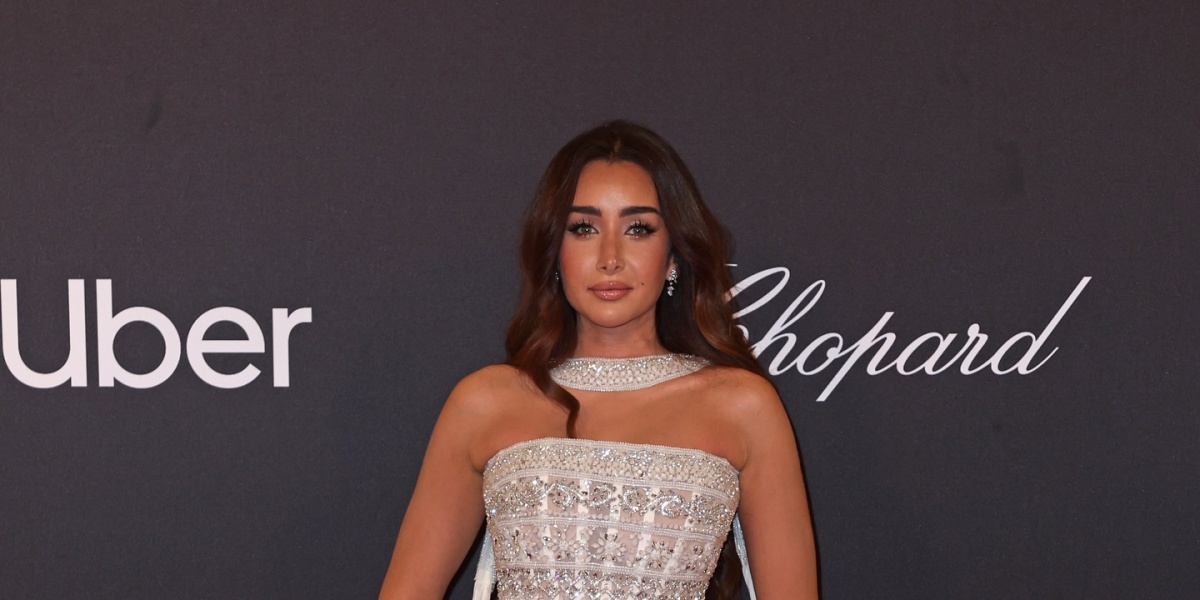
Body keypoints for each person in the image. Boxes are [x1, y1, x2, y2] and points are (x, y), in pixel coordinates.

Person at [378, 120, 818, 599]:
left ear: (673, 255)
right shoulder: (484, 402)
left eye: (638, 229)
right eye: (584, 228)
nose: (611, 257)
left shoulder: (742, 406)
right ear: (555, 251)